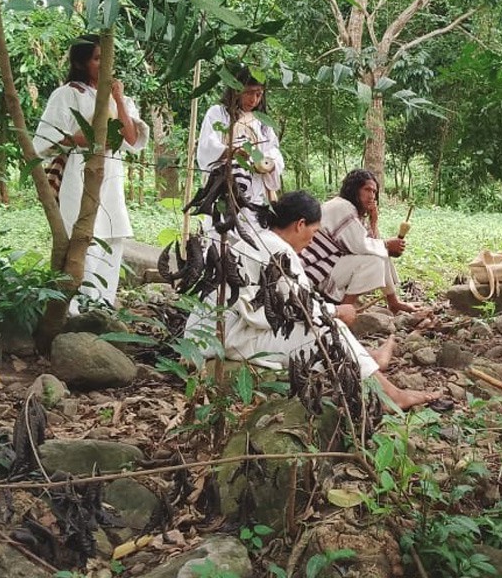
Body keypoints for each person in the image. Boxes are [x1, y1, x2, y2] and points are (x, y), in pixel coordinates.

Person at [184, 191, 438, 411]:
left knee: (324, 326)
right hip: (226, 338)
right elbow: (301, 307)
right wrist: (337, 311)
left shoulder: (259, 239)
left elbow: (290, 300)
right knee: (327, 329)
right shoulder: (278, 249)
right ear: (300, 224)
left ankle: (367, 360)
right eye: (313, 232)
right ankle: (390, 395)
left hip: (219, 333)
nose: (312, 240)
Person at [34, 35, 149, 311]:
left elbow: (130, 139)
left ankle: (102, 307)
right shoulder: (67, 94)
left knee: (111, 237)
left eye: (106, 58)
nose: (104, 64)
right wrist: (92, 138)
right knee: (85, 237)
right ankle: (76, 310)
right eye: (97, 59)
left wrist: (118, 98)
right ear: (81, 62)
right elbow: (48, 141)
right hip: (80, 173)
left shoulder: (122, 98)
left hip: (111, 177)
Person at [300, 169, 418, 314]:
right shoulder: (342, 207)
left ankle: (393, 302)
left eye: (374, 192)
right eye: (367, 190)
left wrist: (373, 222)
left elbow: (371, 244)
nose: (371, 196)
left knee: (378, 253)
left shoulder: (353, 213)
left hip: (328, 267)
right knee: (375, 261)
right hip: (315, 273)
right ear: (354, 190)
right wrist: (387, 245)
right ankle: (343, 311)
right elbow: (360, 246)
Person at [195, 65, 285, 228]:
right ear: (236, 89)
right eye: (249, 93)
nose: (254, 100)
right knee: (221, 232)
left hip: (255, 196)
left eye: (259, 94)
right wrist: (232, 152)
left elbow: (274, 153)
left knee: (253, 238)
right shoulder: (218, 114)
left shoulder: (263, 123)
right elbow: (207, 146)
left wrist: (268, 164)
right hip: (224, 189)